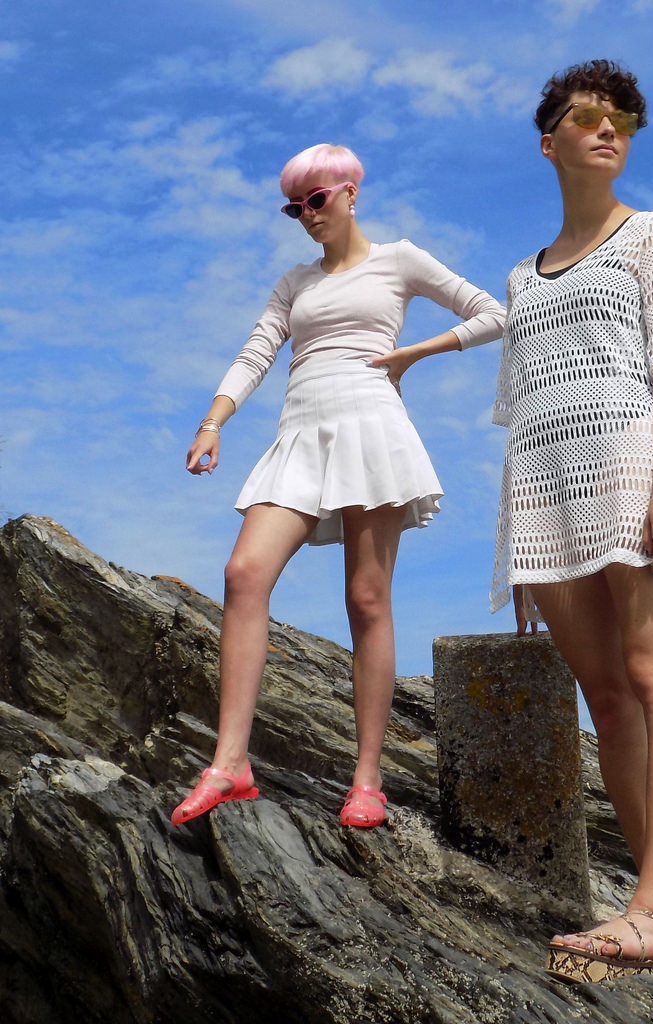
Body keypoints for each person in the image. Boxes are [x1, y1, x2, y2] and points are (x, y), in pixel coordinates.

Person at [172, 143, 505, 829]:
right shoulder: (295, 282)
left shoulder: (400, 259)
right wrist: (213, 422)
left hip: (371, 428)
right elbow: (256, 352)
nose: (306, 214)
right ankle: (230, 763)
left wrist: (415, 353)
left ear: (351, 193)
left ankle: (368, 780)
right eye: (293, 207)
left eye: (316, 199)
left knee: (366, 597)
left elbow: (494, 313)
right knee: (243, 573)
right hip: (300, 433)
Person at [490, 60, 653, 982]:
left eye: (622, 117)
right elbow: (524, 411)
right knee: (607, 699)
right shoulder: (522, 276)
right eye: (588, 116)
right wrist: (520, 547)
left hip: (630, 478)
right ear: (550, 141)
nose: (608, 128)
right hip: (544, 500)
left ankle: (652, 910)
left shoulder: (652, 234)